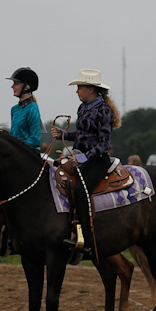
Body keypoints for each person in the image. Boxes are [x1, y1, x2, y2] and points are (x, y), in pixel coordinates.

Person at [51, 68, 121, 254]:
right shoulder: (83, 107)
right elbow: (82, 136)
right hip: (80, 158)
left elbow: (103, 144)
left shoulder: (104, 110)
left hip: (97, 161)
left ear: (90, 89)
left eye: (79, 87)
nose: (76, 91)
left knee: (81, 191)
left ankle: (86, 241)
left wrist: (81, 157)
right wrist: (63, 135)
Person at [6, 67, 42, 150]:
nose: (12, 86)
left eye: (16, 83)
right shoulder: (14, 109)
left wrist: (14, 143)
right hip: (15, 152)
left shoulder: (32, 109)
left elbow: (36, 140)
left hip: (29, 155)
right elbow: (15, 135)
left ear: (26, 87)